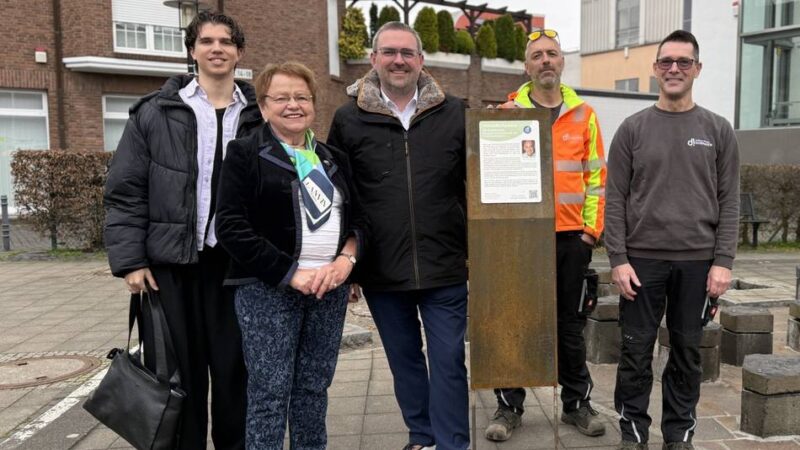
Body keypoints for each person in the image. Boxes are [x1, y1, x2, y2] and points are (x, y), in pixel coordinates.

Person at [103, 11, 261, 449]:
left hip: (238, 267)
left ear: (239, 51)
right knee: (180, 376)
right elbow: (126, 189)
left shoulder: (260, 113)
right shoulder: (155, 111)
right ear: (192, 50)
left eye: (226, 41)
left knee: (235, 371)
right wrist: (131, 260)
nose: (217, 48)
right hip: (172, 265)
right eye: (206, 41)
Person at [327, 21, 469, 450]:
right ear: (374, 59)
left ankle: (452, 443)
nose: (398, 60)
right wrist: (346, 261)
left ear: (421, 60)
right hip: (382, 268)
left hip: (445, 264)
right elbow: (339, 195)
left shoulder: (456, 112)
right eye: (389, 52)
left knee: (448, 361)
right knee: (405, 361)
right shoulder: (348, 119)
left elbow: (478, 187)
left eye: (407, 52)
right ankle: (422, 436)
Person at [215, 61, 365, 450]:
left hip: (328, 291)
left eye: (301, 97)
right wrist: (289, 273)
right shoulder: (246, 153)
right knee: (269, 394)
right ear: (263, 107)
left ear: (314, 105)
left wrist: (345, 261)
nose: (293, 105)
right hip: (268, 291)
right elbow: (230, 226)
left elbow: (360, 221)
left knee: (313, 390)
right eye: (281, 97)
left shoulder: (332, 159)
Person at [605, 30, 739, 450]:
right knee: (634, 352)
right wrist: (617, 259)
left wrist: (724, 262)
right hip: (641, 263)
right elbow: (615, 199)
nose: (674, 69)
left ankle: (678, 435)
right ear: (655, 68)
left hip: (698, 264)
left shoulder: (717, 130)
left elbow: (729, 200)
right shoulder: (632, 129)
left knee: (686, 354)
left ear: (697, 69)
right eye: (667, 62)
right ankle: (633, 434)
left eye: (684, 62)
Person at [486, 28, 607, 442]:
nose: (545, 61)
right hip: (519, 240)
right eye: (537, 55)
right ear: (526, 66)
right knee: (513, 321)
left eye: (552, 54)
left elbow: (597, 179)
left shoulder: (585, 115)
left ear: (562, 61)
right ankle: (509, 406)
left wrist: (590, 234)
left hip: (571, 239)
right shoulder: (505, 113)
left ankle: (577, 405)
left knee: (569, 325)